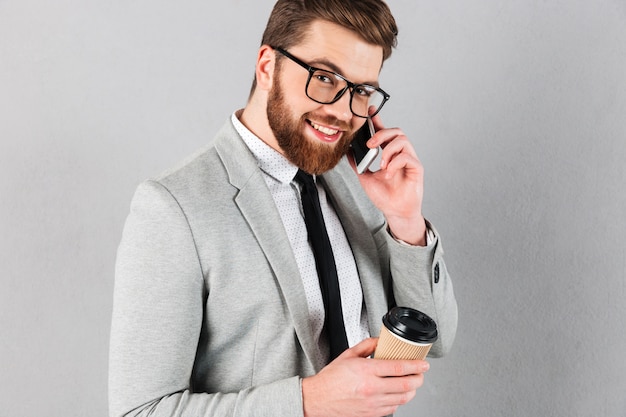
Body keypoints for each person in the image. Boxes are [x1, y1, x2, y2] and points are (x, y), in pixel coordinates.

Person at [108, 0, 457, 416]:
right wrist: (308, 402)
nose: (343, 112)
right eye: (324, 78)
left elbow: (436, 339)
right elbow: (140, 411)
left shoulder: (361, 183)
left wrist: (405, 222)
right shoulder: (173, 208)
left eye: (362, 91)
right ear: (267, 66)